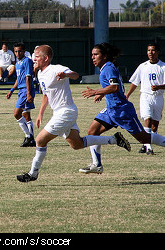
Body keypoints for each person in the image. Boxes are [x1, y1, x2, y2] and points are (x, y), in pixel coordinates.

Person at [16, 45, 131, 183]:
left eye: (36, 56)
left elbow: (76, 75)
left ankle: (32, 174)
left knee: (40, 141)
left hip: (66, 112)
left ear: (45, 58)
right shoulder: (40, 74)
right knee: (77, 144)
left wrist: (66, 75)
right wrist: (40, 114)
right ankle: (114, 139)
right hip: (60, 113)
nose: (33, 59)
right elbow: (46, 95)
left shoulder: (55, 69)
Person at [80, 42, 165, 174]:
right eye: (92, 55)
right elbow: (113, 87)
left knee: (144, 138)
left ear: (105, 56)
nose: (93, 57)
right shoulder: (106, 68)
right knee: (92, 131)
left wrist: (96, 92)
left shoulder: (108, 68)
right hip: (111, 109)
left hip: (122, 111)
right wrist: (102, 93)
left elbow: (115, 87)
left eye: (96, 54)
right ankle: (97, 165)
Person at [126, 43, 165, 155]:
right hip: (145, 96)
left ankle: (145, 144)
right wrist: (127, 95)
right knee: (147, 119)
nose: (150, 53)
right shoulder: (143, 66)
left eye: (153, 51)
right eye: (148, 51)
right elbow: (135, 82)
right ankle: (149, 147)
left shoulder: (163, 66)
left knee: (155, 125)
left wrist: (159, 87)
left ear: (158, 52)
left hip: (158, 97)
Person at [6, 42, 36, 147]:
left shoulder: (27, 61)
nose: (17, 53)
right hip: (21, 90)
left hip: (26, 91)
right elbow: (19, 79)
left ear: (24, 51)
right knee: (26, 115)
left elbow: (28, 77)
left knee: (16, 113)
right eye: (15, 51)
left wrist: (28, 93)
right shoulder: (17, 64)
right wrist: (12, 90)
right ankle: (31, 140)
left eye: (19, 51)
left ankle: (28, 136)